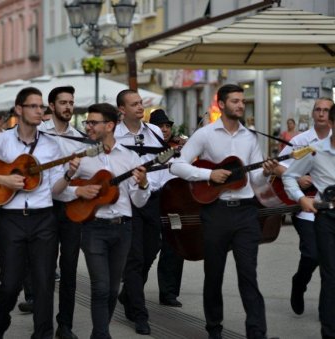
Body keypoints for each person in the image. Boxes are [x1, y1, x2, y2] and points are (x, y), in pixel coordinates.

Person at [170, 84, 278, 339]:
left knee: (248, 276)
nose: (240, 105)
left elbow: (256, 182)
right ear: (222, 104)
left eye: (242, 101)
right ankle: (214, 329)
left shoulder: (250, 137)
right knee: (214, 274)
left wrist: (265, 172)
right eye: (235, 101)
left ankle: (257, 333)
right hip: (216, 212)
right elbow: (177, 166)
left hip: (246, 213)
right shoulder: (205, 135)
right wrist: (209, 174)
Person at [0, 87, 63, 339]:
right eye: (34, 106)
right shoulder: (0, 141)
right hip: (12, 219)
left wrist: (71, 174)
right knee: (10, 284)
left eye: (42, 107)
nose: (40, 111)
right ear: (19, 109)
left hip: (44, 219)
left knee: (44, 284)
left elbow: (58, 188)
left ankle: (43, 334)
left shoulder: (52, 144)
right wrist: (3, 180)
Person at [54, 102, 150, 339]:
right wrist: (75, 187)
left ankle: (99, 333)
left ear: (110, 125)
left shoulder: (129, 157)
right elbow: (56, 191)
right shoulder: (82, 157)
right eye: (87, 122)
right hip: (93, 228)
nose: (88, 127)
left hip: (123, 228)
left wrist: (143, 184)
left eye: (93, 122)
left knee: (112, 289)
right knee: (99, 288)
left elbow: (138, 201)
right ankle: (101, 334)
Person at [274, 97, 333, 315]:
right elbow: (280, 167)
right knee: (312, 255)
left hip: (331, 211)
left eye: (326, 110)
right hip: (307, 209)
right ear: (312, 114)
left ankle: (327, 312)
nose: (321, 113)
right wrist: (299, 181)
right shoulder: (302, 140)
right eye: (318, 109)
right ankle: (299, 284)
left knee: (330, 263)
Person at [114, 89, 166, 335]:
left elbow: (164, 163)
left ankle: (127, 294)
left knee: (150, 252)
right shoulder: (113, 134)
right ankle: (140, 314)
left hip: (153, 198)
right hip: (127, 201)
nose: (139, 107)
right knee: (134, 258)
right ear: (122, 110)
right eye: (134, 104)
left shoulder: (154, 132)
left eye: (140, 103)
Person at [37, 85, 86, 339]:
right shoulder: (38, 134)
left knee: (69, 269)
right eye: (63, 102)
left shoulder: (78, 137)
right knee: (44, 269)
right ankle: (42, 324)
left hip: (69, 208)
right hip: (43, 208)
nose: (68, 106)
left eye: (71, 102)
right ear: (52, 106)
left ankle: (64, 325)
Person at [148, 109, 186, 308]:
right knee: (149, 247)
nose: (165, 129)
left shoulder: (177, 149)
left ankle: (169, 292)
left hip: (174, 203)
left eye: (167, 126)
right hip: (153, 202)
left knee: (175, 246)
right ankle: (130, 289)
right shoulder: (146, 147)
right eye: (161, 126)